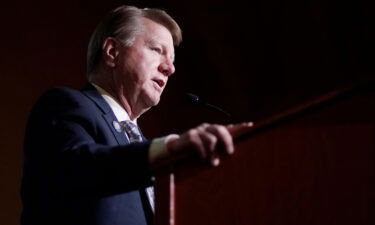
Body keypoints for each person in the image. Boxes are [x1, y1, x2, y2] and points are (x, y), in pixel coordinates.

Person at [21, 5, 251, 225]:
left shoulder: (140, 142)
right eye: (157, 50)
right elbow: (77, 169)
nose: (170, 68)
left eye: (171, 60)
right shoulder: (66, 105)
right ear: (113, 52)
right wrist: (168, 151)